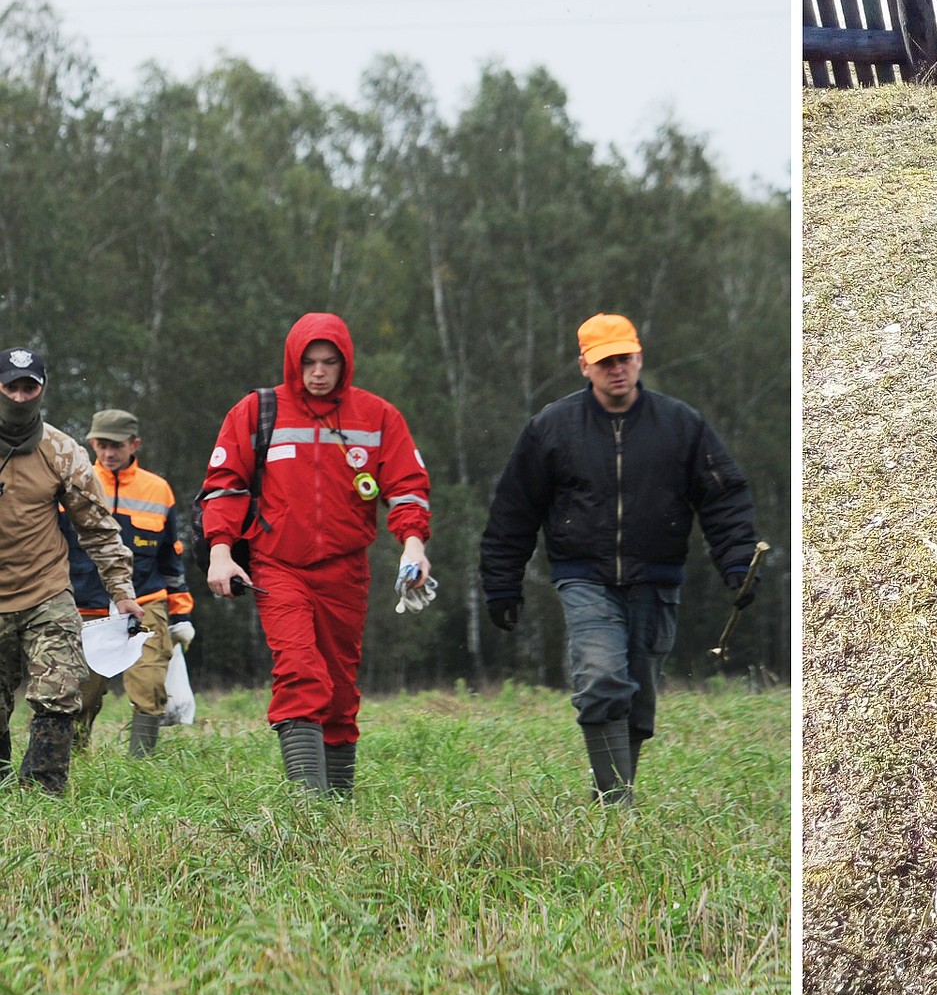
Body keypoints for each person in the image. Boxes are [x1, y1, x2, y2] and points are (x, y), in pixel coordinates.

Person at [478, 313, 760, 807]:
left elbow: (723, 497)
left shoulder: (680, 424)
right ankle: (616, 808)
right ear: (584, 365)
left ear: (639, 357)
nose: (617, 370)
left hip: (658, 579)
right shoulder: (551, 428)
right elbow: (514, 510)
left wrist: (738, 564)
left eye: (624, 358)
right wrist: (502, 583)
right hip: (583, 577)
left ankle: (612, 798)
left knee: (637, 701)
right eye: (605, 361)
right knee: (602, 677)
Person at [199, 312, 432, 797]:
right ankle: (310, 809)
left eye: (330, 362)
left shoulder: (378, 416)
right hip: (277, 565)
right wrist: (220, 553)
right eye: (309, 362)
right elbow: (224, 488)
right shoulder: (256, 411)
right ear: (293, 362)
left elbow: (407, 487)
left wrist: (413, 543)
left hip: (347, 571)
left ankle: (338, 809)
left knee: (340, 691)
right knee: (300, 670)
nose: (319, 372)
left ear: (346, 363)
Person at [0, 346, 143, 794]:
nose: (21, 397)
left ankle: (42, 792)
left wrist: (121, 590)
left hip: (46, 592)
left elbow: (98, 527)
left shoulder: (62, 451)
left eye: (30, 387)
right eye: (12, 387)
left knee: (60, 693)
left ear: (41, 390)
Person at [65, 409, 195, 757]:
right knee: (81, 693)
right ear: (91, 443)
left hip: (146, 600)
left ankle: (141, 764)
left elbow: (171, 555)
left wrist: (181, 613)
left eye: (117, 445)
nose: (108, 452)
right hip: (85, 602)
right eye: (102, 444)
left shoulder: (158, 490)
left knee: (150, 684)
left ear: (134, 444)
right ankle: (77, 761)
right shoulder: (73, 483)